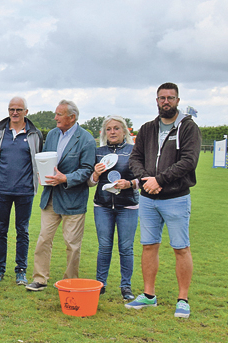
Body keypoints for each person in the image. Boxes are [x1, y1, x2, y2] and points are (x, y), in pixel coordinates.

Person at [126, 82, 201, 318]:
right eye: (161, 98)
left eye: (170, 98)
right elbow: (135, 158)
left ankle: (183, 299)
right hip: (148, 199)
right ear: (156, 101)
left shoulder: (188, 128)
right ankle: (149, 296)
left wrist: (160, 180)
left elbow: (188, 161)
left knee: (180, 248)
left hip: (176, 198)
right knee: (149, 246)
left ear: (178, 100)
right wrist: (145, 179)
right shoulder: (148, 128)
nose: (165, 101)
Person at [26, 100, 95, 292]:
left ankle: (70, 282)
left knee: (72, 245)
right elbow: (46, 159)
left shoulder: (86, 139)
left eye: (59, 114)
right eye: (56, 114)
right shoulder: (53, 135)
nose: (55, 118)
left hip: (73, 200)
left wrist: (66, 178)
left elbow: (87, 170)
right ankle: (40, 279)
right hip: (50, 198)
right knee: (43, 239)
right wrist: (43, 172)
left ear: (71, 117)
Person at [0, 97, 43, 285]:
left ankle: (21, 270)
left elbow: (37, 159)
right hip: (1, 189)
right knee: (1, 231)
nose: (14, 113)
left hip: (25, 190)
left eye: (19, 110)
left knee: (22, 231)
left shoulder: (34, 134)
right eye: (11, 109)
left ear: (26, 112)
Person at [87, 115, 138, 300]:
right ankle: (101, 284)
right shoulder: (98, 152)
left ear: (124, 130)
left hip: (128, 206)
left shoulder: (134, 151)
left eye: (116, 128)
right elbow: (90, 183)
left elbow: (143, 178)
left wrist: (130, 184)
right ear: (104, 132)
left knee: (126, 248)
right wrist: (95, 173)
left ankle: (126, 287)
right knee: (104, 246)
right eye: (109, 129)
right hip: (102, 206)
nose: (113, 132)